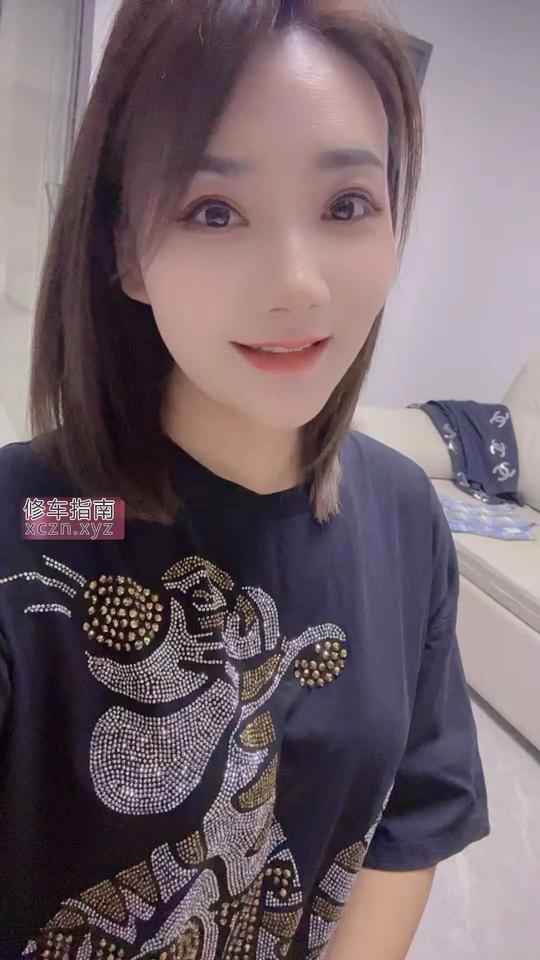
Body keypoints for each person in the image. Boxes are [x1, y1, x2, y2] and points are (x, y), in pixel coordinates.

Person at [0, 1, 490, 957]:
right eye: (213, 210)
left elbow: (413, 815)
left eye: (346, 204)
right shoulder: (29, 524)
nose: (298, 283)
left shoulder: (404, 512)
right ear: (124, 250)